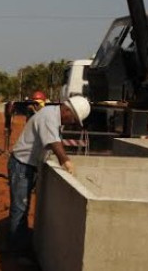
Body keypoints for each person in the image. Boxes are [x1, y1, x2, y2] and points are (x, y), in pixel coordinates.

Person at [5, 95, 91, 254]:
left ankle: (19, 241)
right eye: (73, 118)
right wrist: (65, 161)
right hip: (22, 165)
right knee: (20, 208)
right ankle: (16, 253)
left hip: (28, 165)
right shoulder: (49, 117)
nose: (71, 122)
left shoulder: (54, 116)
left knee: (22, 207)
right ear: (66, 110)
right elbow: (54, 143)